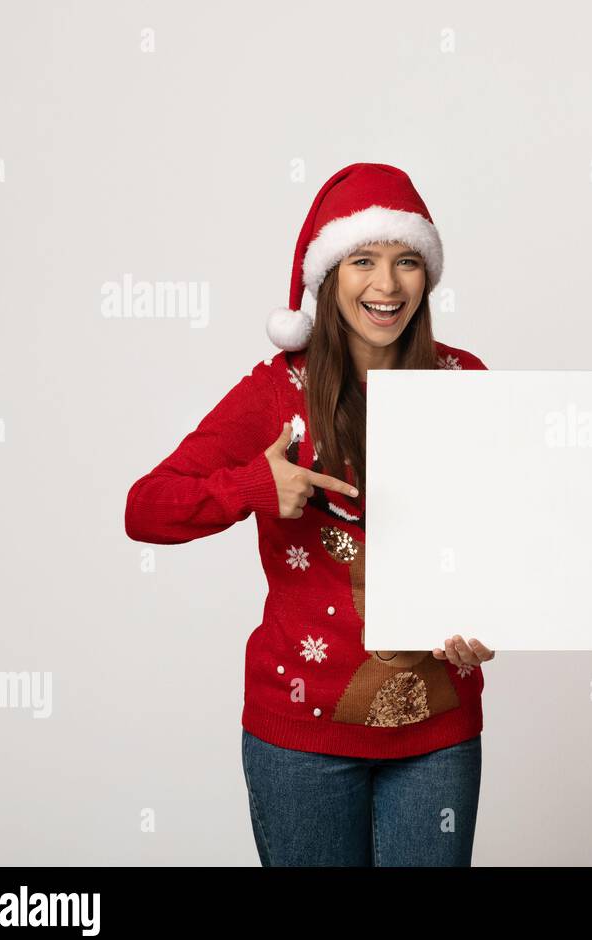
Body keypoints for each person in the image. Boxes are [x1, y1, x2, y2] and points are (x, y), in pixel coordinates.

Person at [125, 163, 494, 866]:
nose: (386, 286)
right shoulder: (274, 394)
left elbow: (505, 532)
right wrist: (253, 488)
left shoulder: (465, 381)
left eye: (406, 261)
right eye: (363, 261)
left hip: (439, 736)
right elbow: (145, 508)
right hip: (301, 741)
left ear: (427, 275)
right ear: (328, 277)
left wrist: (488, 617)